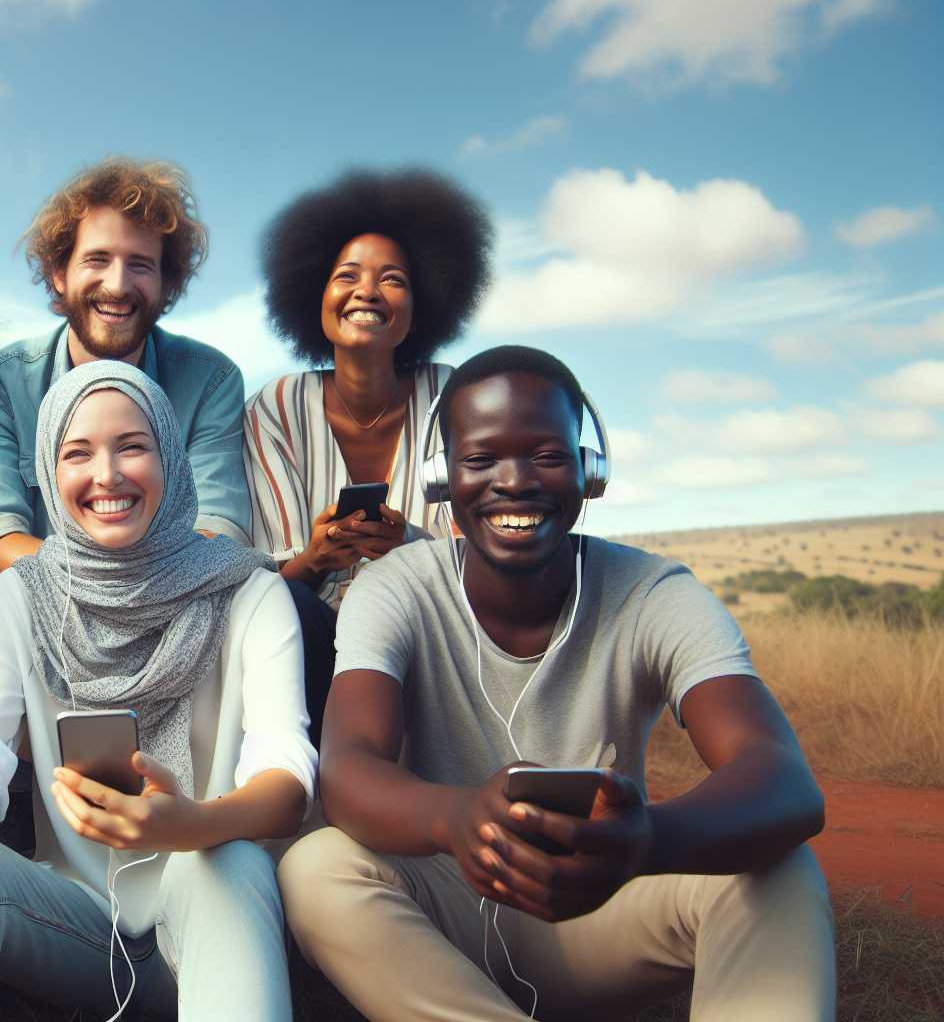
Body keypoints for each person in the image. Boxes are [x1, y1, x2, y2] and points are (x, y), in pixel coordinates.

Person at [279, 346, 834, 1021]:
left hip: (602, 903)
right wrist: (455, 821)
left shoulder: (655, 593)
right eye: (481, 460)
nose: (513, 482)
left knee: (781, 866)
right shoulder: (397, 588)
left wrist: (647, 842)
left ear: (587, 472)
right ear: (441, 478)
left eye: (545, 455)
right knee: (317, 870)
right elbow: (347, 767)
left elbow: (782, 779)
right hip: (447, 914)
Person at [0, 362, 316, 1021]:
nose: (106, 476)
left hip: (212, 917)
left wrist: (194, 824)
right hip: (77, 924)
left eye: (132, 447)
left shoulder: (248, 591)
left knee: (228, 864)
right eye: (77, 454)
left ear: (170, 456)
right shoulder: (27, 594)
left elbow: (286, 776)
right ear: (51, 473)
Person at [246, 167, 493, 742]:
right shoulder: (276, 407)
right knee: (284, 605)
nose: (367, 292)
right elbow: (267, 576)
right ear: (316, 294)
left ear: (424, 303)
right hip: (308, 640)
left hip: (427, 630)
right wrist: (316, 559)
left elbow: (479, 556)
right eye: (347, 275)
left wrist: (407, 546)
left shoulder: (452, 396)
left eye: (394, 280)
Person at [0, 158, 250, 596]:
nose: (117, 285)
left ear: (165, 284)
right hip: (54, 604)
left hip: (176, 602)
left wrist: (133, 594)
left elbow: (220, 533)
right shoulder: (4, 382)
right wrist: (104, 588)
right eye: (97, 259)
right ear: (59, 274)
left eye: (140, 264)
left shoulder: (211, 380)